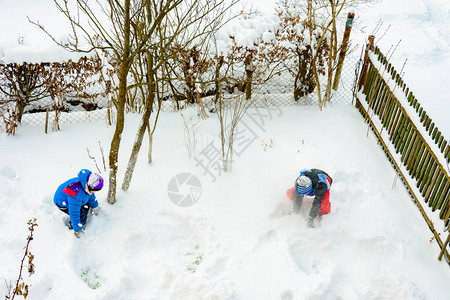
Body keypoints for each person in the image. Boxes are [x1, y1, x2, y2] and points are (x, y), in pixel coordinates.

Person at [54, 169, 103, 238]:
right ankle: (71, 226)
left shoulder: (86, 183)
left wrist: (95, 206)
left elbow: (91, 196)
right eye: (94, 191)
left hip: (73, 199)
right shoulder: (76, 193)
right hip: (62, 202)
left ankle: (83, 214)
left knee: (85, 206)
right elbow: (74, 212)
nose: (94, 192)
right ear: (90, 187)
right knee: (81, 215)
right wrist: (77, 229)